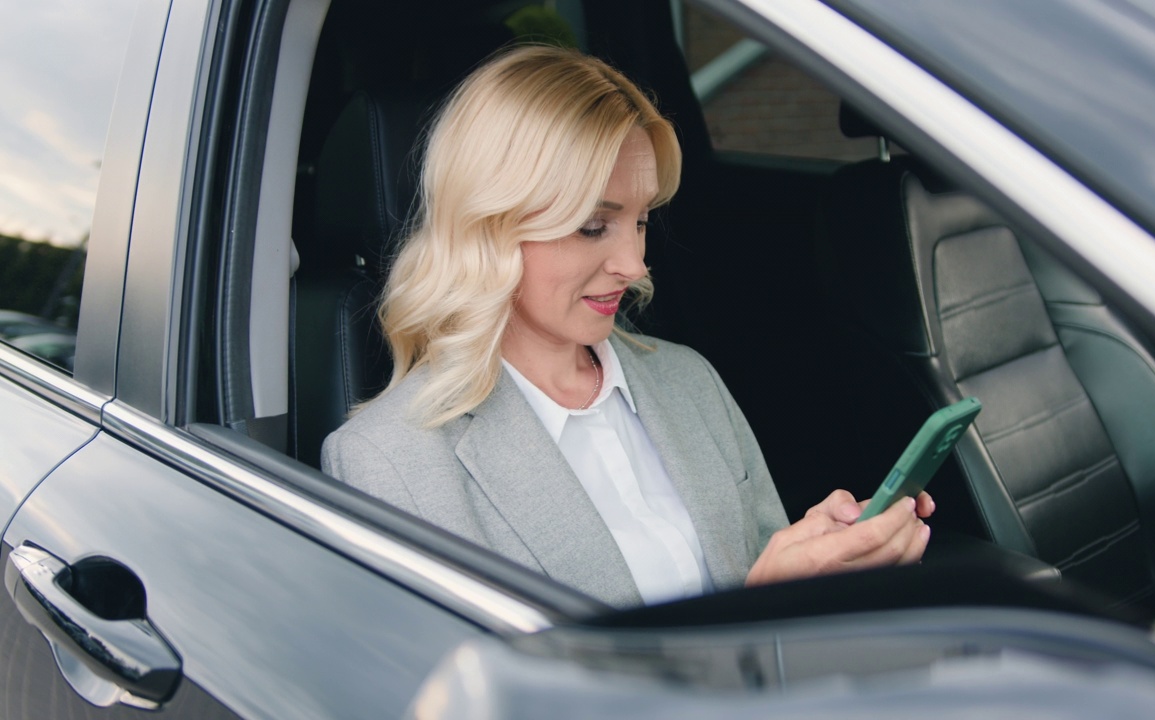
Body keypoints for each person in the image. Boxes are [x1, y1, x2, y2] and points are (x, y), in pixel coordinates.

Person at [321, 44, 933, 609]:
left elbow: (765, 581)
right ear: (490, 226)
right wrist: (756, 612)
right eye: (593, 225)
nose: (635, 265)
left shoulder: (687, 380)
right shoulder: (390, 463)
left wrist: (817, 566)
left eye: (640, 221)